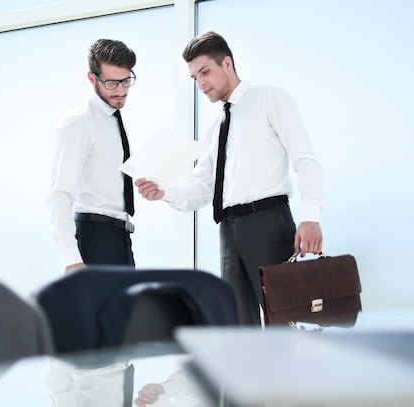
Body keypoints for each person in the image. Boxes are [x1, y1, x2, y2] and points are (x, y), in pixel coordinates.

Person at [135, 31, 326, 325]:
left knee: (282, 320)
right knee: (238, 324)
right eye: (194, 78)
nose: (201, 83)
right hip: (228, 229)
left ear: (227, 63)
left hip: (268, 222)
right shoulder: (215, 128)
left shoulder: (269, 98)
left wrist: (311, 215)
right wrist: (164, 192)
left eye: (205, 72)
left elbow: (305, 157)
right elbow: (202, 188)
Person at [47, 39, 138, 273]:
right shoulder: (80, 122)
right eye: (111, 83)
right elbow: (59, 193)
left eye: (126, 80)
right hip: (94, 237)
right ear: (92, 78)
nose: (120, 90)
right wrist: (70, 257)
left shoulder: (114, 120)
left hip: (120, 238)